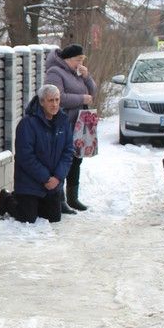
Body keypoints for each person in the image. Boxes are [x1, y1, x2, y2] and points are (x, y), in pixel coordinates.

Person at [0, 85, 74, 223]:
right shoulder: (27, 124)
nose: (55, 104)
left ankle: (32, 202)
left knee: (54, 218)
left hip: (53, 182)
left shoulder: (63, 121)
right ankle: (6, 199)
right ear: (42, 101)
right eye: (50, 100)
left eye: (57, 100)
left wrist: (57, 177)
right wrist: (45, 178)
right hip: (29, 181)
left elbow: (68, 152)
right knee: (27, 218)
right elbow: (25, 157)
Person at [42, 44, 96, 213]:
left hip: (79, 124)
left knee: (76, 160)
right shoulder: (55, 73)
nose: (80, 64)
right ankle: (60, 199)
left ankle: (73, 198)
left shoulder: (77, 73)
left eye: (82, 60)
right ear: (68, 59)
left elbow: (92, 92)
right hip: (63, 124)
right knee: (63, 160)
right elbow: (58, 99)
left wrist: (87, 77)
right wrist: (81, 98)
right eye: (77, 60)